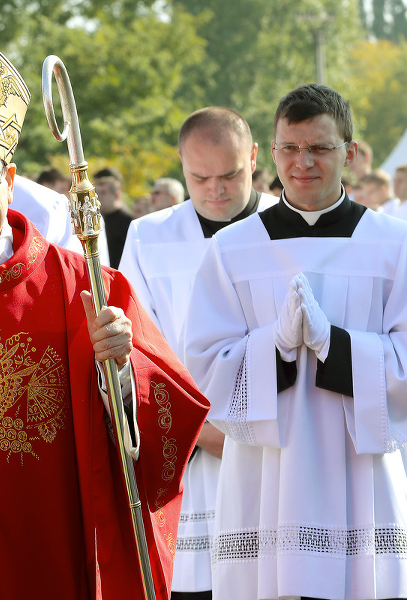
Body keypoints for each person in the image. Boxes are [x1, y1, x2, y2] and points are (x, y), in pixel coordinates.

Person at [0, 15, 209, 600]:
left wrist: (122, 372)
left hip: (60, 538)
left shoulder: (80, 282)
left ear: (10, 178)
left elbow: (162, 415)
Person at [185, 84, 407, 600]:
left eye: (319, 148)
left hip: (360, 469)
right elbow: (202, 364)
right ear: (273, 149)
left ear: (348, 153)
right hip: (268, 472)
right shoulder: (233, 249)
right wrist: (276, 347)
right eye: (289, 147)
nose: (302, 162)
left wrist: (340, 346)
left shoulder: (393, 244)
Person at [120, 107, 277, 600]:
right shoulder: (150, 237)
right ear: (182, 165)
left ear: (253, 157)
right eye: (199, 177)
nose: (215, 190)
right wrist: (200, 430)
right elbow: (138, 348)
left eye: (229, 174)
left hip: (277, 444)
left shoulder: (288, 224)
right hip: (187, 443)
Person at [96, 166, 134, 268]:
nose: (98, 198)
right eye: (96, 194)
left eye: (103, 193)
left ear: (116, 195)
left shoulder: (129, 222)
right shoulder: (96, 220)